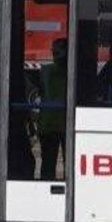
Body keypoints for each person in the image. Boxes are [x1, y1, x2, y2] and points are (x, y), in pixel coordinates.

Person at [38, 38, 67, 180]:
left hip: (48, 124)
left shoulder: (45, 71)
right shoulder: (71, 72)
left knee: (48, 165)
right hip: (64, 124)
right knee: (69, 165)